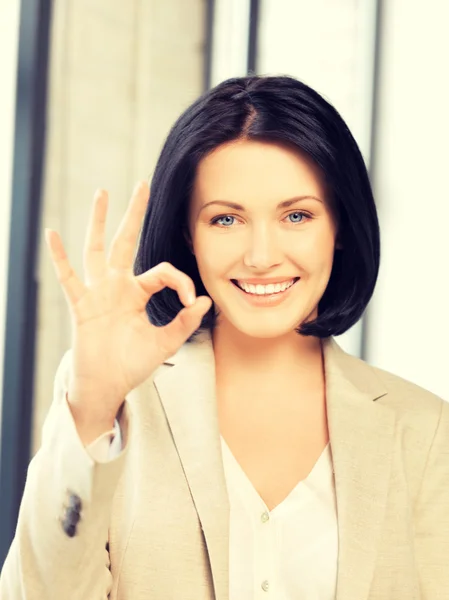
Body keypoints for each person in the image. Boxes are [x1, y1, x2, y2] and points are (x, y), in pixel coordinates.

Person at [0, 75, 447, 600]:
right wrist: (93, 406)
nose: (260, 256)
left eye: (297, 215)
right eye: (226, 219)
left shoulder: (423, 430)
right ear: (189, 233)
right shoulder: (120, 406)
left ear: (340, 226)